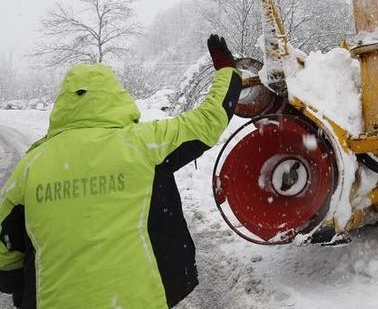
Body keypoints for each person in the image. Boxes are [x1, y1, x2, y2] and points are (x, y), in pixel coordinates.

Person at [0, 35, 242, 309]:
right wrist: (226, 72)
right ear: (117, 96)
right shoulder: (145, 143)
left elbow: (5, 256)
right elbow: (208, 120)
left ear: (63, 104)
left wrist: (23, 284)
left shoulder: (31, 166)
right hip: (140, 301)